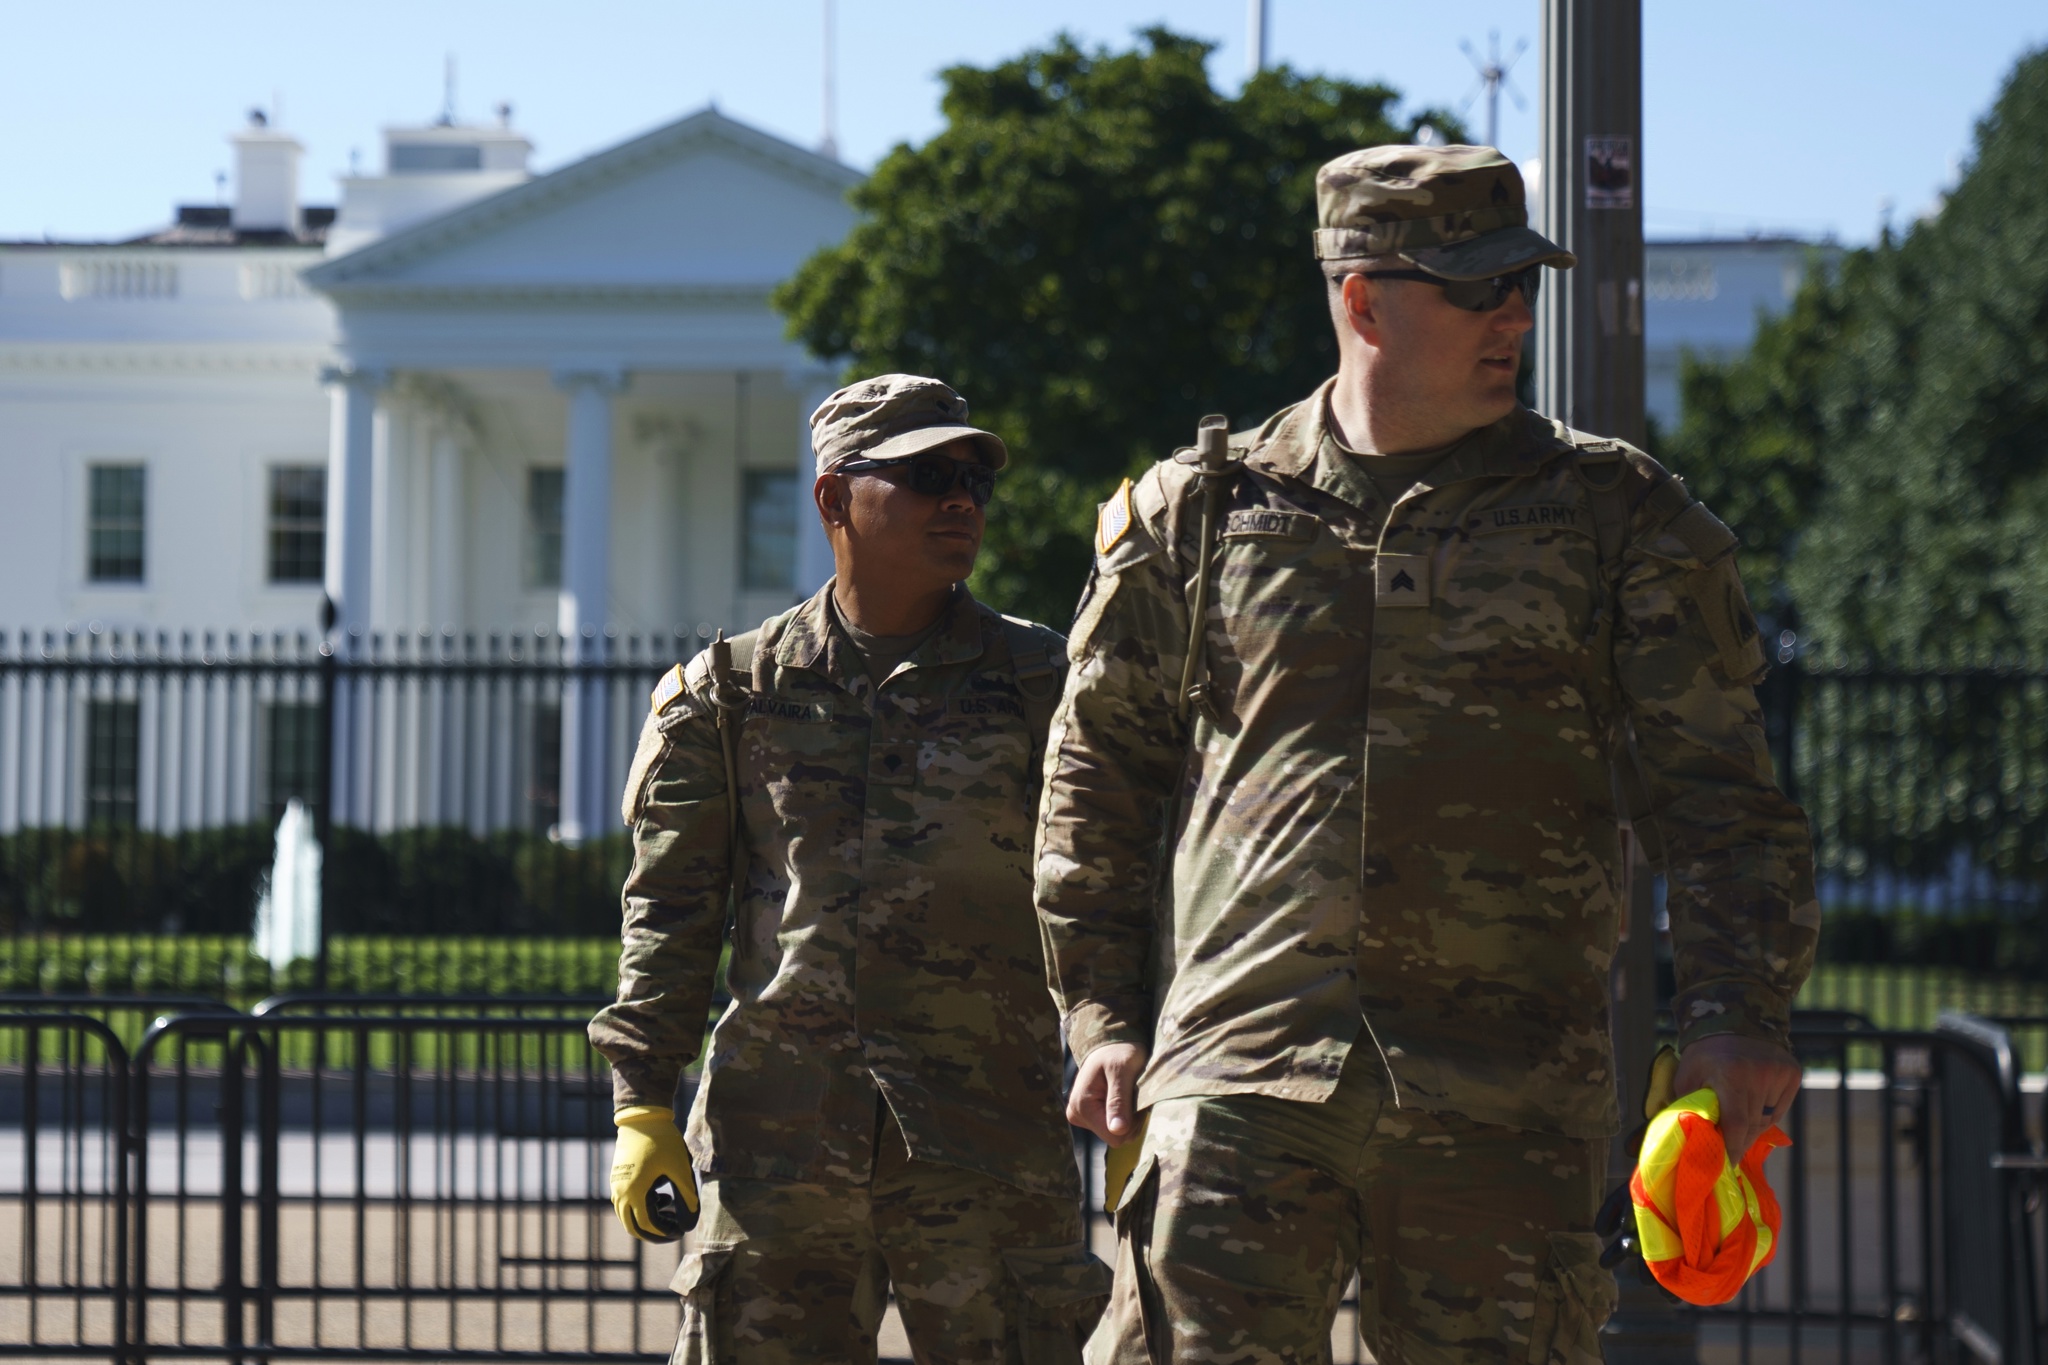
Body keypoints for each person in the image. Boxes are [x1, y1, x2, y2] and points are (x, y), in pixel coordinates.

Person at [1033, 145, 1819, 1365]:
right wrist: (1099, 1013)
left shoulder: (1616, 520)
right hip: (1241, 1071)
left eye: (1522, 283)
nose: (1510, 313)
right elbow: (1098, 777)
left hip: (1504, 1094)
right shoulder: (1201, 512)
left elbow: (1718, 800)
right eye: (1471, 286)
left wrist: (1732, 1012)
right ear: (1360, 299)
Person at [591, 374, 1109, 1364]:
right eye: (924, 476)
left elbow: (1104, 894)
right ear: (834, 498)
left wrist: (1127, 1058)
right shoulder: (729, 694)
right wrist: (642, 1104)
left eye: (971, 479)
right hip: (778, 1155)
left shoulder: (1045, 685)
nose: (959, 500)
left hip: (987, 1150)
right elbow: (669, 911)